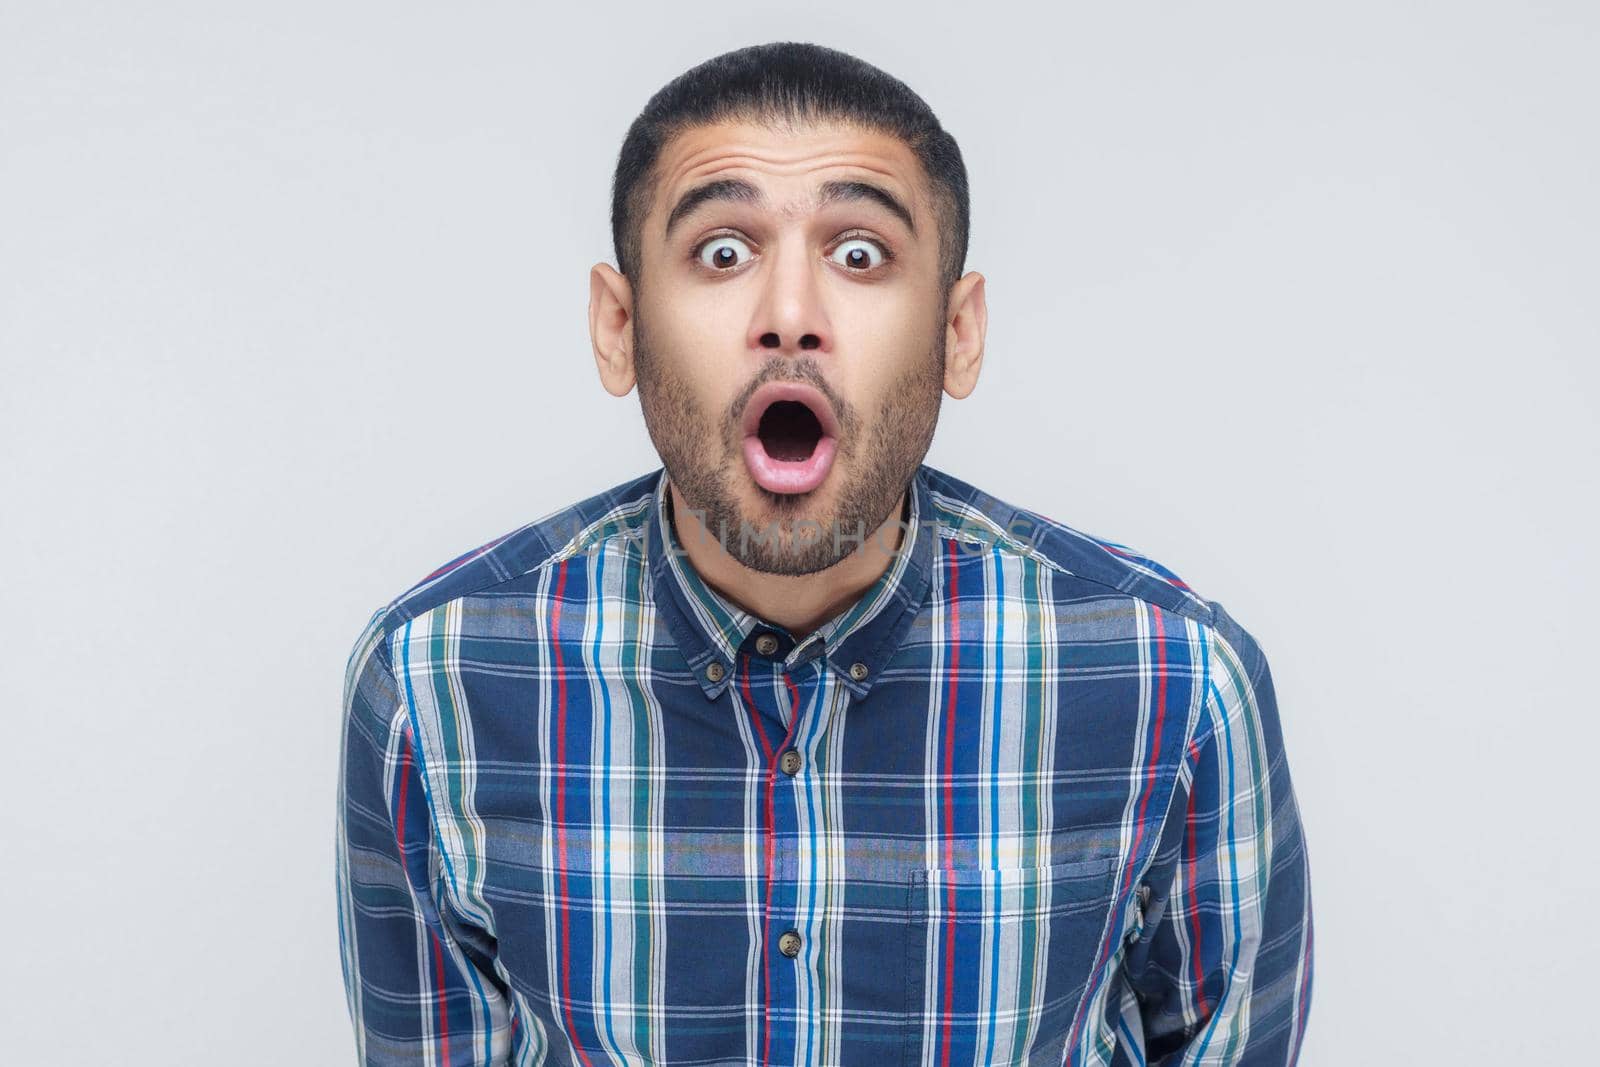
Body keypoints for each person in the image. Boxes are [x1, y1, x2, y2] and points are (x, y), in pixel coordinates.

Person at [335, 41, 1313, 1067]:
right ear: (619, 327)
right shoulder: (432, 685)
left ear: (957, 332)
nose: (790, 317)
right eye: (721, 251)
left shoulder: (1179, 684)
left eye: (859, 255)